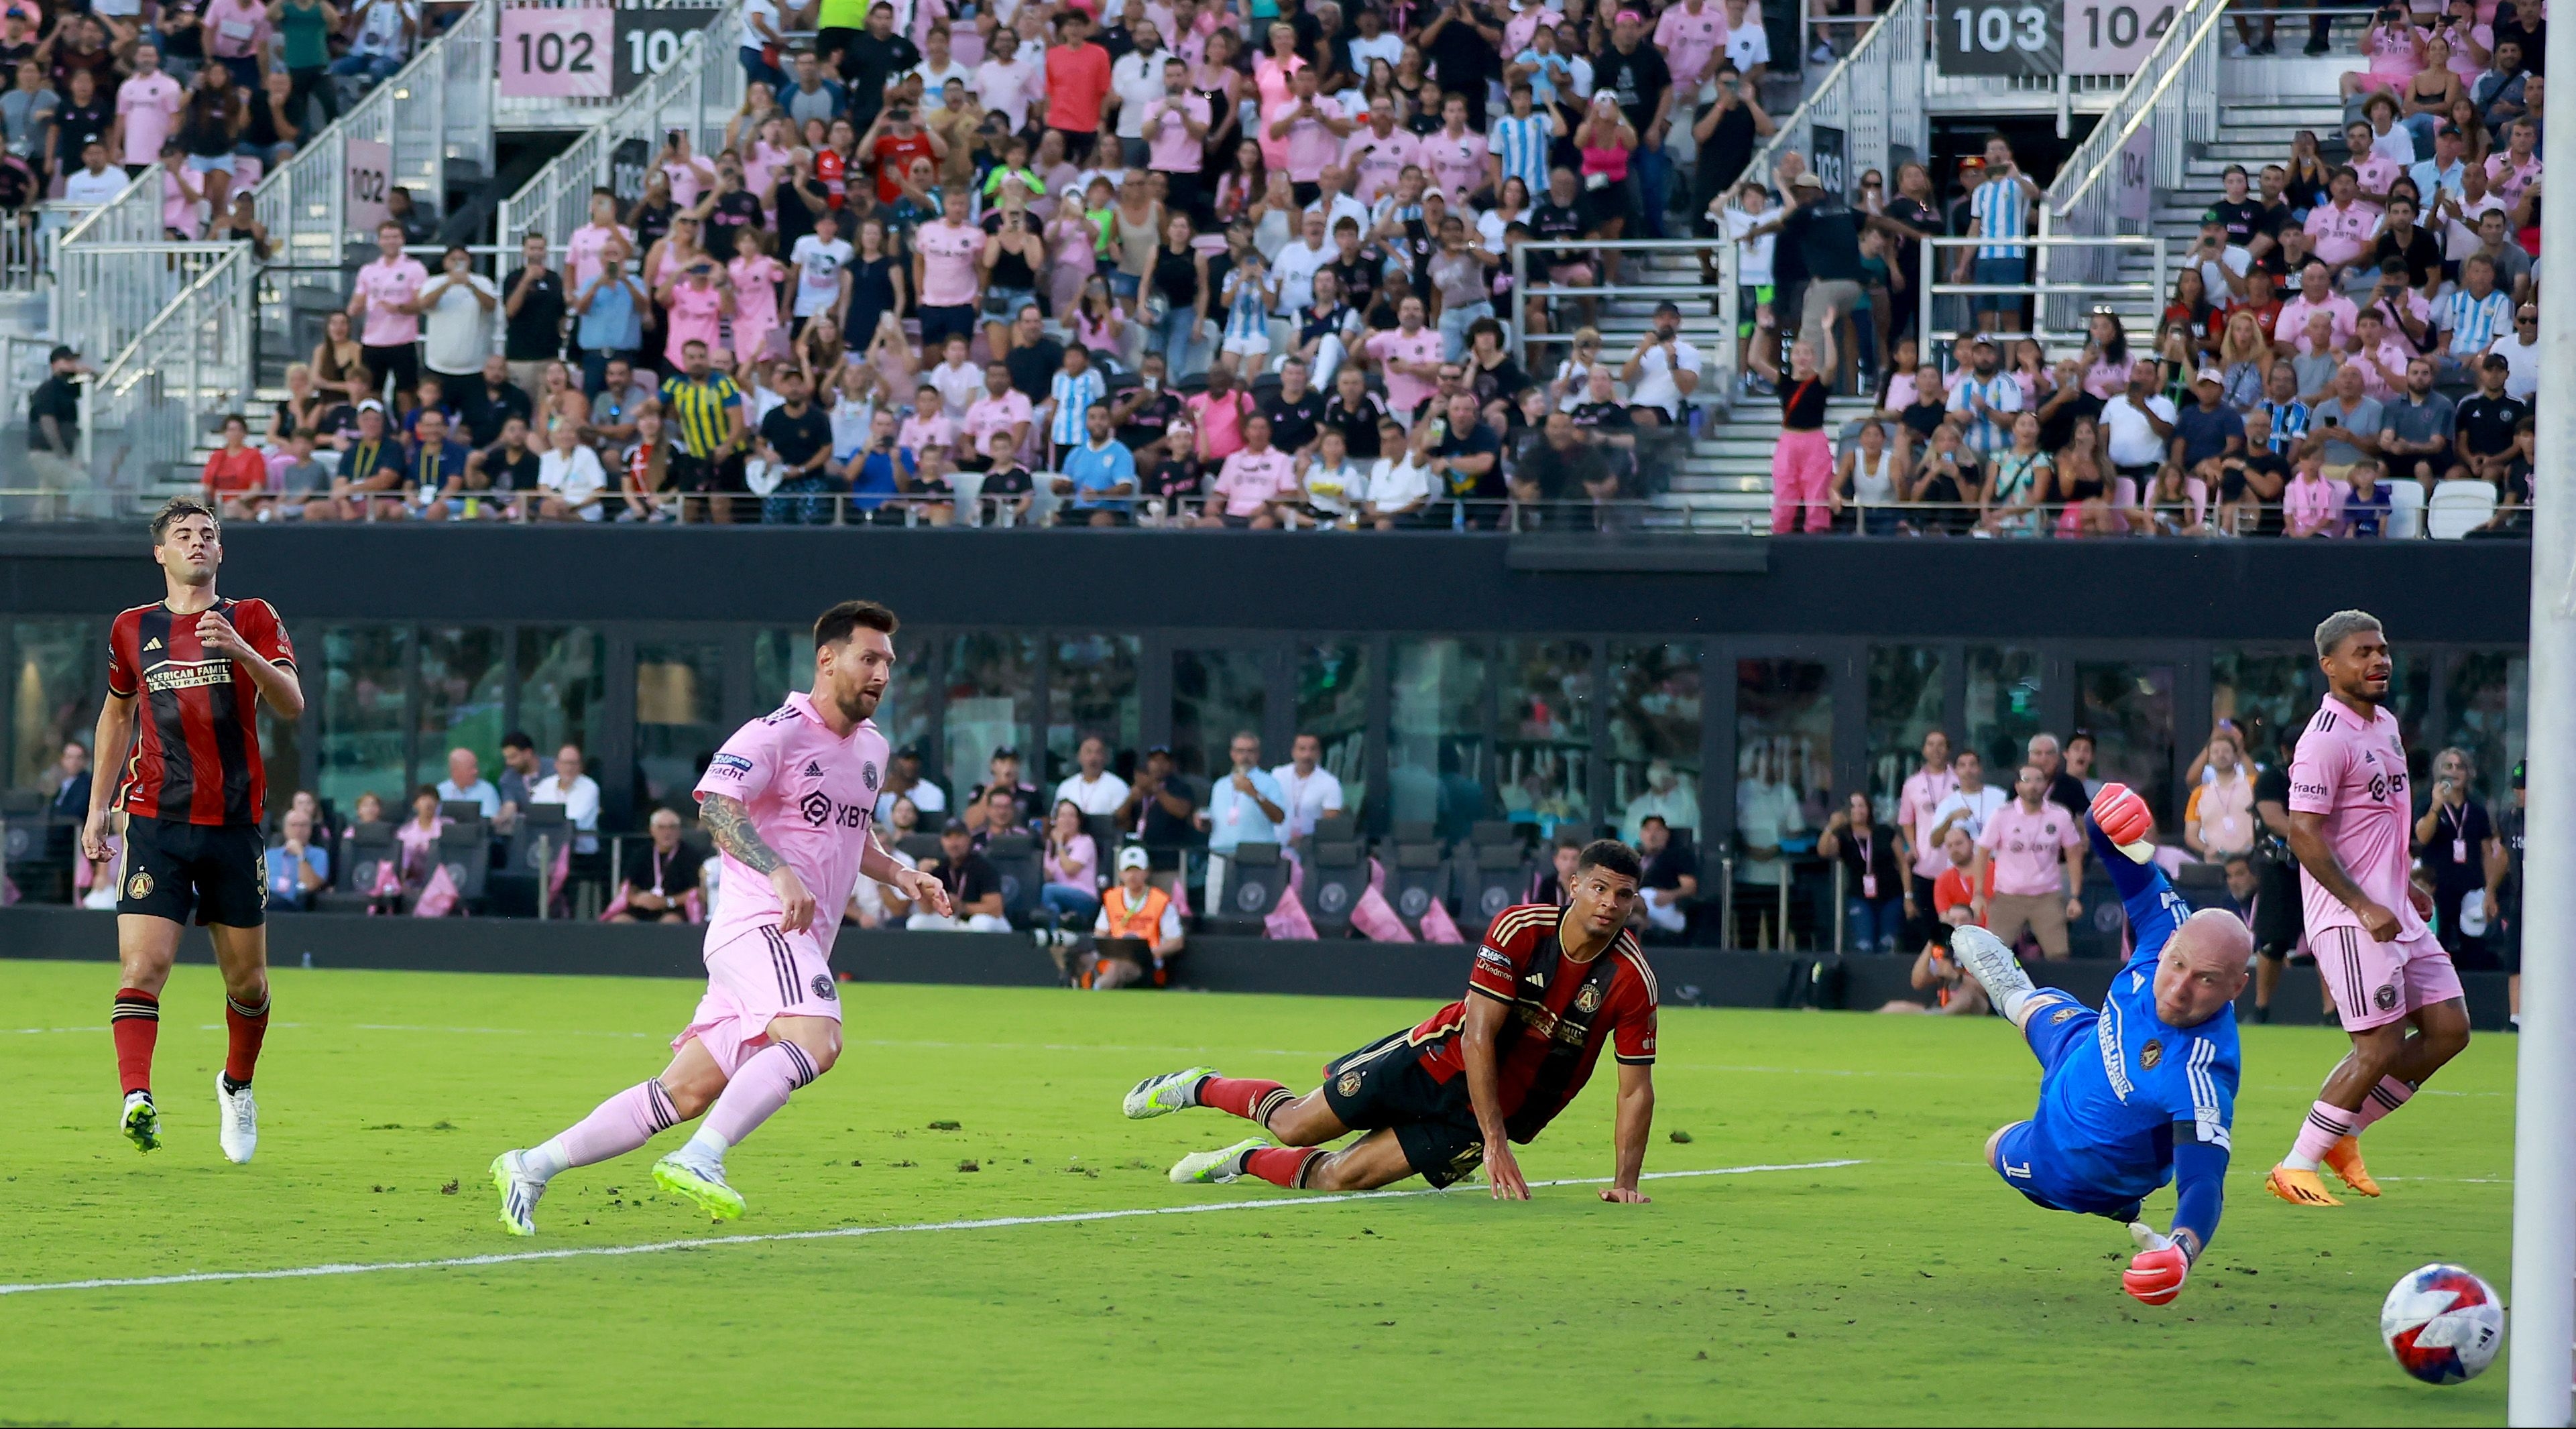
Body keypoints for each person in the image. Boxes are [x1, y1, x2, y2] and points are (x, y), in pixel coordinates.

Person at [491, 602, 949, 1235]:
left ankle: (528, 1164)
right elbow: (717, 809)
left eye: (889, 663)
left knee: (683, 1092)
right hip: (759, 926)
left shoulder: (872, 747)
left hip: (790, 941)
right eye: (869, 658)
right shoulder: (776, 732)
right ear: (827, 659)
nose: (882, 674)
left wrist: (902, 873)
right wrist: (778, 870)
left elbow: (851, 835)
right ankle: (702, 1158)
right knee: (818, 1039)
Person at [1123, 842, 1657, 1200]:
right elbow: (1478, 1037)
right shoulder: (1521, 930)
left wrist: (1625, 1185)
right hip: (1433, 1062)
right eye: (1600, 888)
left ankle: (1243, 1161)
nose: (1611, 904)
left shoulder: (1631, 981)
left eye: (1624, 895)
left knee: (1341, 1178)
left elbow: (1634, 1091)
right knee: (1296, 1126)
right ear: (1573, 885)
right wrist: (1495, 1143)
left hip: (1477, 1118)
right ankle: (1200, 1085)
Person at [1946, 783, 2246, 1307]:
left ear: (2236, 988)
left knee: (1994, 1146)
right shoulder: (2168, 924)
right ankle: (2014, 994)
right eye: (2176, 965)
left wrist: (2181, 1250)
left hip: (2074, 1161)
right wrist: (2109, 812)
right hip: (2087, 1045)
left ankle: (2120, 1206)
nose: (2179, 988)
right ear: (2168, 943)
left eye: (2206, 980)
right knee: (2044, 1007)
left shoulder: (2200, 1071)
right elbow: (2105, 842)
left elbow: (2203, 1184)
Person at [82, 497, 304, 1162]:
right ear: (161, 552)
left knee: (248, 985)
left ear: (221, 550)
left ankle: (236, 1085)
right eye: (184, 534)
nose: (198, 542)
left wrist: (239, 649)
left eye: (209, 533)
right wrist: (98, 805)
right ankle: (137, 1098)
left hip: (234, 824)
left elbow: (291, 703)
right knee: (143, 966)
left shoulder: (253, 616)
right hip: (155, 820)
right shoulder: (131, 627)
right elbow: (116, 716)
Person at [2266, 610, 2469, 1208]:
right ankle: (2298, 1163)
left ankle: (2344, 1134)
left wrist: (2402, 885)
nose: (2379, 660)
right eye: (2363, 652)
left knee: (2449, 1029)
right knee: (2377, 1045)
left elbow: (2379, 823)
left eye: (2382, 650)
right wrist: (2362, 902)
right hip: (2350, 917)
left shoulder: (2385, 724)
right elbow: (2304, 833)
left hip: (2395, 909)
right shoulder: (2324, 738)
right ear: (2330, 665)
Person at [1971, 763, 2086, 962]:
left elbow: (2074, 854)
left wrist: (2075, 896)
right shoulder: (2002, 815)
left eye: (2038, 780)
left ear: (2046, 785)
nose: (2033, 785)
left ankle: (2053, 994)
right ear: (2017, 786)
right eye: (2026, 780)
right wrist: (1979, 893)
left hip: (2047, 896)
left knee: (2059, 956)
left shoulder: (2060, 815)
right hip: (2008, 897)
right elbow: (1982, 853)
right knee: (1992, 958)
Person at [2411, 746, 2498, 965]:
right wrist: (2435, 807)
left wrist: (2490, 891)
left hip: (2470, 888)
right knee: (2435, 948)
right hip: (2437, 889)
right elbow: (2422, 837)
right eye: (2448, 766)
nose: (2454, 772)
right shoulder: (2427, 803)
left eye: (2460, 767)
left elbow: (2487, 852)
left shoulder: (2477, 809)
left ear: (2468, 773)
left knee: (2473, 950)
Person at [1195, 729, 1286, 914]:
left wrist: (1255, 794)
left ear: (1258, 755)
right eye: (1241, 751)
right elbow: (1218, 820)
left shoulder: (1269, 782)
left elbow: (1279, 818)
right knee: (1215, 910)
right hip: (1221, 855)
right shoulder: (1220, 785)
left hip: (1255, 857)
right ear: (1232, 754)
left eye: (1250, 751)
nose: (1245, 756)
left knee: (1253, 910)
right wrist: (1204, 824)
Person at [1819, 790, 1904, 952]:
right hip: (1860, 897)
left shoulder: (1884, 832)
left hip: (1891, 895)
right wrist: (1831, 827)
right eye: (1853, 806)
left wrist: (1908, 896)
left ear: (1869, 809)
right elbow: (1823, 851)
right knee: (1864, 944)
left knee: (1887, 944)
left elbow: (1903, 865)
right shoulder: (1844, 836)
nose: (1857, 810)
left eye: (1862, 806)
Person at [1089, 845, 1182, 989]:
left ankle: (1098, 988)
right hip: (1115, 958)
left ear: (1146, 872)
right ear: (1121, 874)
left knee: (1121, 966)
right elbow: (1100, 934)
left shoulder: (1161, 901)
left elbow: (1176, 941)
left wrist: (1152, 953)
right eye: (1128, 871)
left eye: (1137, 870)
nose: (1132, 876)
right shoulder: (1112, 899)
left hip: (1146, 963)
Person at [908, 817, 1011, 932]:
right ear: (942, 841)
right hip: (955, 921)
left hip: (986, 922)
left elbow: (995, 910)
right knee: (916, 923)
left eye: (958, 837)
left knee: (980, 924)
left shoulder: (983, 866)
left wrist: (962, 906)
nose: (953, 843)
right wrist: (922, 877)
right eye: (948, 837)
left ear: (968, 839)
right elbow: (927, 910)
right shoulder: (939, 868)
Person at [611, 808, 703, 924]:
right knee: (620, 921)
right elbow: (627, 885)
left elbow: (696, 891)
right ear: (652, 830)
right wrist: (637, 899)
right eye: (661, 827)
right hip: (643, 907)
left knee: (670, 921)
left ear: (679, 831)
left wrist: (666, 902)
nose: (667, 832)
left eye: (672, 827)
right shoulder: (641, 854)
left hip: (674, 908)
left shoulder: (690, 856)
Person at [1039, 799, 1102, 932]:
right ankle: (1054, 941)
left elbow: (1070, 869)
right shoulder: (1052, 844)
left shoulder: (1085, 842)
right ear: (1055, 820)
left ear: (1079, 820)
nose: (1067, 820)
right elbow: (1048, 876)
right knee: (1053, 908)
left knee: (1048, 890)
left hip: (1085, 897)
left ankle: (1052, 936)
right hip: (1059, 896)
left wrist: (1060, 845)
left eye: (1072, 816)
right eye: (1062, 816)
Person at [1269, 731, 1345, 841]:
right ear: (1293, 752)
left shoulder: (1330, 783)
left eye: (1312, 749)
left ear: (1319, 753)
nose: (1307, 755)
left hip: (1310, 850)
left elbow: (1329, 825)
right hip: (1275, 846)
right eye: (1302, 749)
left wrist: (1306, 840)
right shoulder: (1278, 775)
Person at [264, 805, 329, 912]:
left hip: (293, 907)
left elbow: (311, 885)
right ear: (285, 829)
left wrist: (300, 855)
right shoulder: (270, 854)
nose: (299, 830)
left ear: (310, 829)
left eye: (303, 825)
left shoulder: (319, 854)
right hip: (266, 904)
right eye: (294, 825)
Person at [1053, 734, 1132, 817]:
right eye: (1088, 752)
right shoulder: (1066, 787)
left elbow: (1122, 822)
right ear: (1079, 757)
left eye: (1098, 752)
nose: (1093, 758)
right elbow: (1055, 819)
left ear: (1105, 757)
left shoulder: (1118, 786)